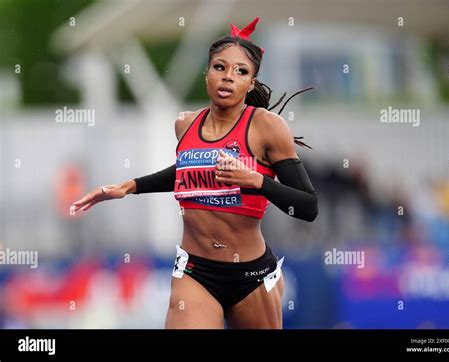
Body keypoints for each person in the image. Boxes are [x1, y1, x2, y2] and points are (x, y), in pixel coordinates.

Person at [71, 17, 318, 329]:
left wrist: (256, 181)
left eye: (240, 71)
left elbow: (308, 206)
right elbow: (186, 171)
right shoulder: (185, 125)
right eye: (220, 67)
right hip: (194, 271)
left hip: (251, 275)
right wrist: (128, 186)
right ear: (207, 73)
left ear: (251, 83)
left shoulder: (267, 127)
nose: (228, 77)